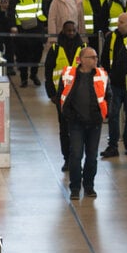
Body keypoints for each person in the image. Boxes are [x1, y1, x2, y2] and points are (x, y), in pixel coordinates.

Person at [57, 47, 112, 200]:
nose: (95, 60)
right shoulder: (69, 75)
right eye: (92, 57)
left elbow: (109, 96)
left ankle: (89, 186)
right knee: (76, 154)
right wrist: (68, 116)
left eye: (96, 57)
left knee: (92, 156)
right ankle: (75, 187)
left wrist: (105, 114)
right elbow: (61, 96)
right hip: (76, 123)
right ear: (82, 60)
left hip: (95, 123)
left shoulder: (102, 75)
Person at [46, 21, 86, 173]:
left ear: (77, 30)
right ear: (63, 30)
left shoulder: (83, 49)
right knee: (64, 129)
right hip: (61, 96)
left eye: (73, 30)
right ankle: (67, 159)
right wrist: (51, 94)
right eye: (68, 30)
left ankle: (77, 159)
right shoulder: (55, 49)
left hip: (79, 97)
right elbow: (48, 73)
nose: (70, 33)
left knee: (79, 129)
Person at [8, 0, 46, 88]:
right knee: (22, 53)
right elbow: (11, 9)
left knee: (37, 51)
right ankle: (24, 78)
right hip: (22, 26)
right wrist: (13, 25)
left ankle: (34, 74)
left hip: (37, 25)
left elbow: (43, 4)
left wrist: (43, 22)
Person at [101, 12, 127, 157]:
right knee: (113, 115)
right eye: (118, 21)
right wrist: (108, 75)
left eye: (122, 22)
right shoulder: (111, 37)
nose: (118, 24)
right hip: (114, 83)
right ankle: (112, 146)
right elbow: (105, 58)